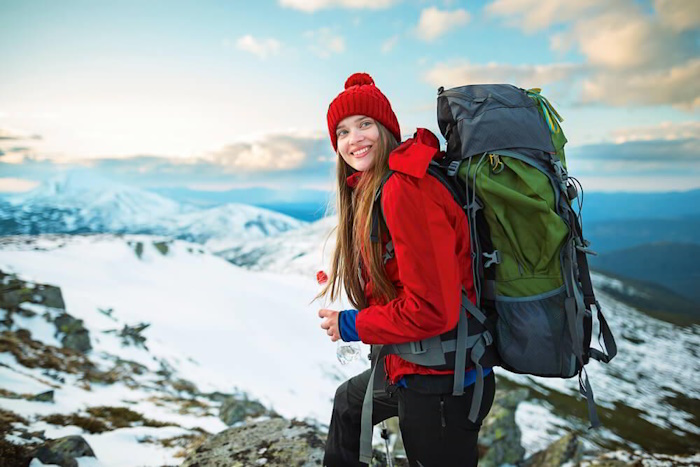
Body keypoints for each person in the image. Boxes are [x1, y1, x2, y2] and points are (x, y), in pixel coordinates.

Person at [316, 72, 496, 467]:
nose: (354, 139)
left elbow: (432, 310)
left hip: (442, 385)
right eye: (342, 132)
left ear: (387, 129)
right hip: (417, 368)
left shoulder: (404, 190)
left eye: (365, 124)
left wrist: (352, 324)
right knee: (350, 403)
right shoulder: (376, 188)